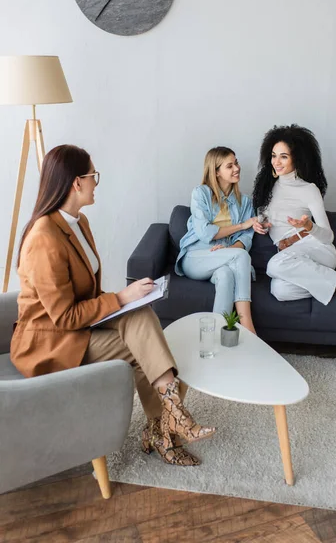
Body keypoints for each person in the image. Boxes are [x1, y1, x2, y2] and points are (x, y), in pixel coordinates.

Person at [11, 144, 216, 467]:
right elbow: (64, 317)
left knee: (143, 318)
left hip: (78, 328)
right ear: (76, 183)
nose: (97, 182)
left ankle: (166, 424)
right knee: (145, 347)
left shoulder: (79, 224)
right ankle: (168, 425)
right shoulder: (43, 237)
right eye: (94, 176)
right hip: (50, 343)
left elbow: (85, 293)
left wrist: (129, 299)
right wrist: (121, 298)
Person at [252, 124, 336, 304]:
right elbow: (272, 220)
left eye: (283, 157)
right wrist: (260, 224)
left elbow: (328, 236)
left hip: (316, 249)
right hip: (292, 259)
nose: (276, 162)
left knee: (274, 265)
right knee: (280, 290)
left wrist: (309, 226)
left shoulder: (309, 190)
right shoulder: (268, 188)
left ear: (297, 159)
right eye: (273, 156)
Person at [176, 146, 258, 333]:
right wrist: (241, 225)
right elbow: (205, 233)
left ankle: (216, 337)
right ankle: (247, 326)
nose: (236, 168)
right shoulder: (200, 194)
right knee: (241, 257)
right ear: (216, 172)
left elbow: (247, 237)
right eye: (229, 166)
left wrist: (230, 250)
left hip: (223, 255)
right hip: (196, 255)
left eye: (236, 163)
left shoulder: (244, 202)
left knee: (226, 275)